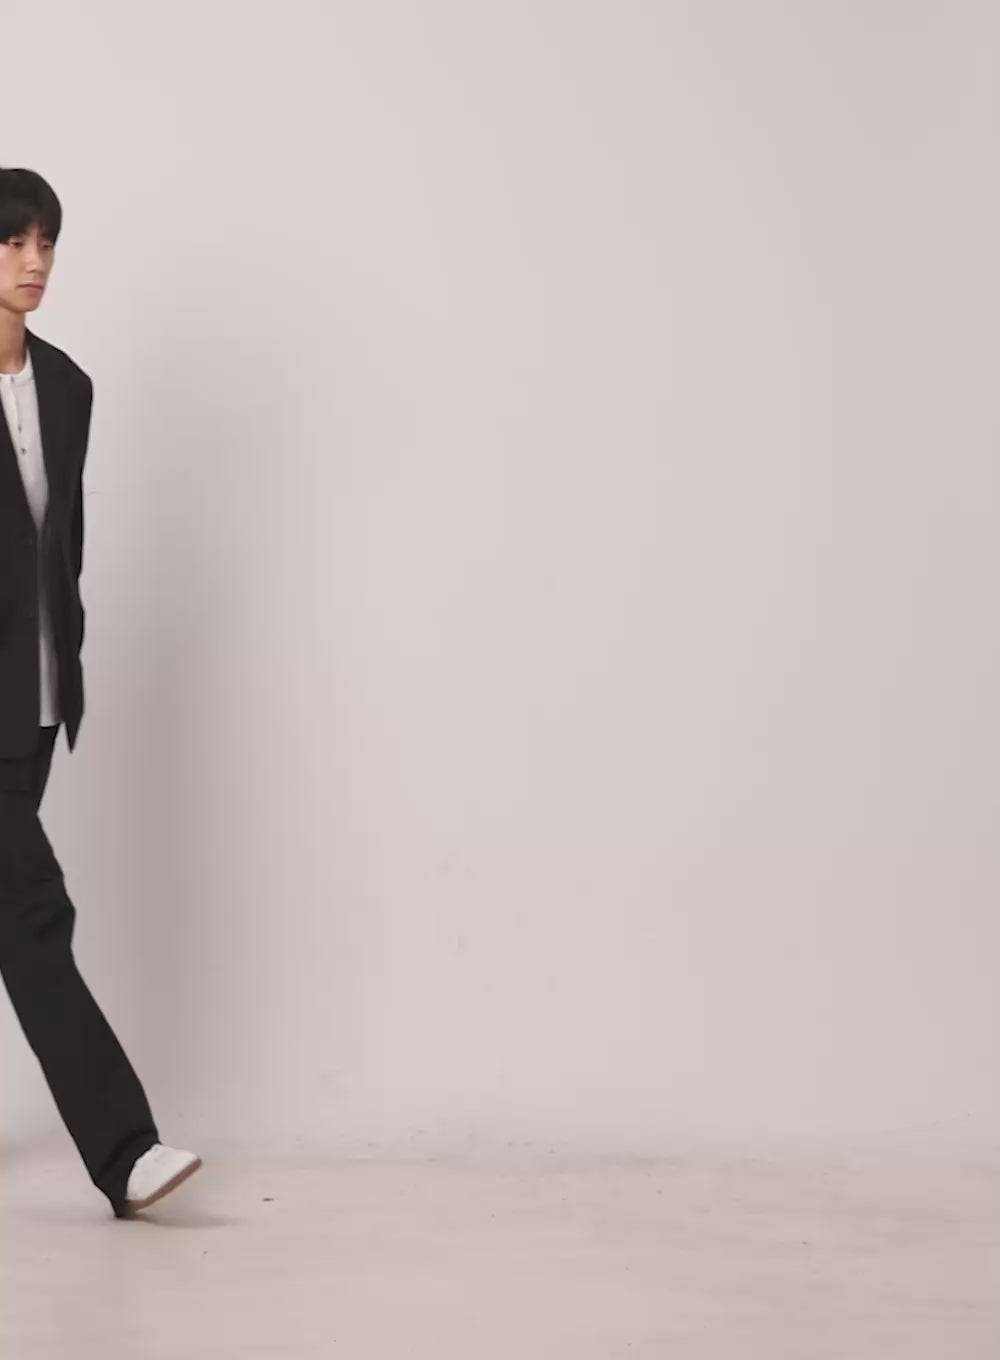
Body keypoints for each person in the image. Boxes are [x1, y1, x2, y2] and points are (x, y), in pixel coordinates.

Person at [0, 166, 202, 1219]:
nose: (35, 261)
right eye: (14, 242)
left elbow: (60, 543)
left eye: (47, 242)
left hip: (34, 698)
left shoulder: (69, 386)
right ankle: (125, 1151)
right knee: (33, 911)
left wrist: (64, 659)